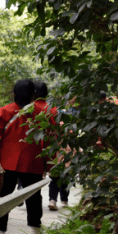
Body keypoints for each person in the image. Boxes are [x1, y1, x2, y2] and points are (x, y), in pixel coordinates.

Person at [0, 78, 46, 234]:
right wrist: (47, 163)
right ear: (34, 95)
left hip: (7, 161)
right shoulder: (41, 112)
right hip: (32, 161)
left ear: (14, 94)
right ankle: (35, 230)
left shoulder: (4, 112)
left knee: (3, 196)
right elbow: (47, 140)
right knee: (33, 196)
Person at [34, 81, 70, 210]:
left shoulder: (28, 109)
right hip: (54, 151)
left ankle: (53, 200)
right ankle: (58, 200)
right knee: (58, 176)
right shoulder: (54, 111)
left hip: (34, 149)